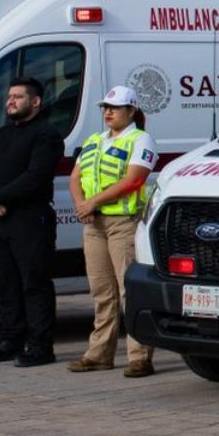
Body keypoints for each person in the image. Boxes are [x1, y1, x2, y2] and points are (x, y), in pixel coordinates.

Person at [0, 77, 65, 368]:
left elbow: (35, 176)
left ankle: (40, 346)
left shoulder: (47, 135)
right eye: (9, 96)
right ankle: (9, 340)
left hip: (30, 219)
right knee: (5, 283)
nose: (10, 101)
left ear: (35, 101)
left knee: (33, 282)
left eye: (18, 97)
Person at [68, 85, 158, 378]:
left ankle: (140, 356)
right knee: (102, 291)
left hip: (122, 223)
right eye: (105, 107)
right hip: (94, 224)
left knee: (129, 291)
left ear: (130, 111)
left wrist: (91, 202)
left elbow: (133, 180)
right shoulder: (94, 140)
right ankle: (99, 354)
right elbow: (75, 178)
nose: (108, 112)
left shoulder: (140, 139)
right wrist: (83, 205)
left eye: (115, 107)